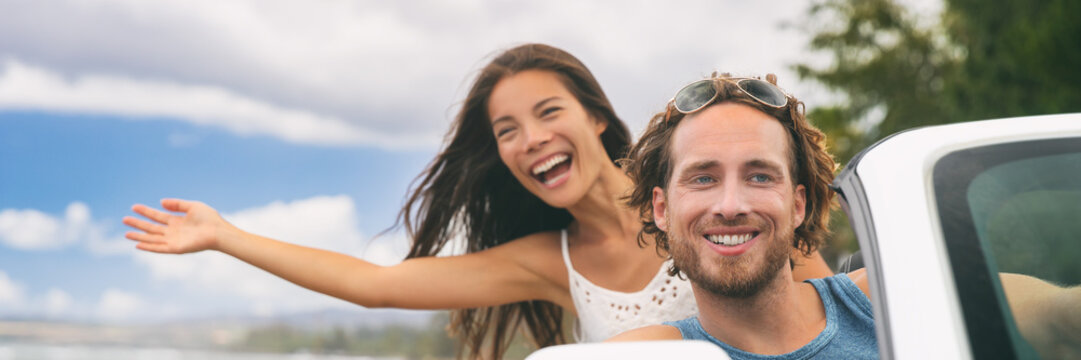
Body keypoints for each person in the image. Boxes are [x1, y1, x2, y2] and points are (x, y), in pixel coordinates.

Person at [122, 45, 833, 359]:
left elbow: (838, 320)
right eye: (506, 132)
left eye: (547, 112)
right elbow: (377, 285)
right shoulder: (548, 262)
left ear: (593, 116)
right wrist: (225, 236)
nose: (530, 140)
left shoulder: (720, 201)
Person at [609, 73, 1081, 359]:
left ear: (798, 205)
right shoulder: (657, 352)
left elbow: (1064, 317)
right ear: (661, 209)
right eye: (703, 178)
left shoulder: (890, 298)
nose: (731, 205)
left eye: (759, 177)